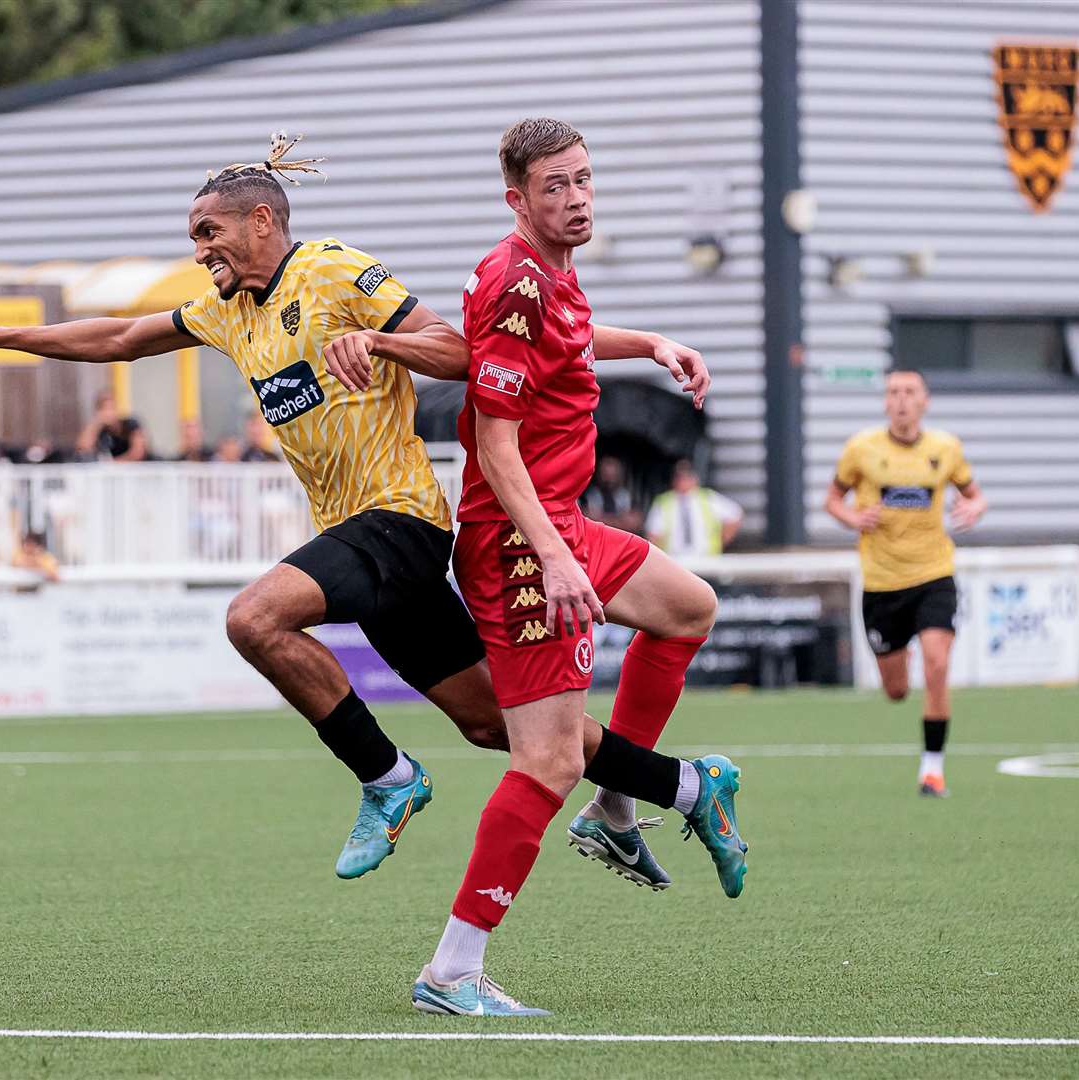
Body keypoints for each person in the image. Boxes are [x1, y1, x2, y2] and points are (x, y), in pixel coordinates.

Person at [0, 132, 704, 890]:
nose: (199, 249)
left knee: (254, 619)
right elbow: (119, 336)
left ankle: (388, 779)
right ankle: (690, 787)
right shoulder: (225, 309)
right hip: (361, 543)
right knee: (501, 727)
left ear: (263, 222)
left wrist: (382, 344)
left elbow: (460, 350)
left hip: (402, 521)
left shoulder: (331, 272)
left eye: (208, 230)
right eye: (193, 236)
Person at [411, 118, 748, 1018]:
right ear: (516, 199)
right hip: (522, 541)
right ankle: (452, 969)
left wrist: (655, 345)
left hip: (556, 525)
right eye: (555, 187)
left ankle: (617, 805)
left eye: (585, 181)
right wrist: (557, 558)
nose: (577, 199)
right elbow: (493, 439)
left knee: (688, 607)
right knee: (544, 758)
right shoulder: (518, 282)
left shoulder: (551, 270)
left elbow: (574, 338)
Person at [826, 368, 986, 798]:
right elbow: (831, 499)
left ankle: (932, 771)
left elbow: (974, 494)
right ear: (885, 403)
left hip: (934, 574)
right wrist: (853, 518)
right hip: (881, 584)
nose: (901, 400)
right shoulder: (861, 449)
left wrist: (974, 509)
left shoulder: (945, 448)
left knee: (937, 664)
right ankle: (902, 660)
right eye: (893, 392)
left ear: (924, 401)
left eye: (909, 392)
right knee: (896, 690)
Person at [645, 458, 744, 557]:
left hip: (706, 558)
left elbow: (735, 515)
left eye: (687, 476)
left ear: (695, 478)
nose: (683, 480)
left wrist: (721, 541)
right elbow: (653, 535)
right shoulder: (664, 502)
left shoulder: (708, 498)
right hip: (675, 559)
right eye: (679, 477)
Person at [77, 391, 149, 461]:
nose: (109, 413)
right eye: (104, 409)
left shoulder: (131, 424)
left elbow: (138, 453)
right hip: (115, 470)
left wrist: (113, 464)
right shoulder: (100, 429)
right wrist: (96, 423)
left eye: (111, 408)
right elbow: (83, 449)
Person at [580, 455, 642, 533]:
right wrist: (620, 521)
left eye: (613, 474)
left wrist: (601, 519)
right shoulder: (588, 495)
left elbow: (634, 522)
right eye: (606, 474)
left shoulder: (626, 496)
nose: (609, 478)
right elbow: (585, 519)